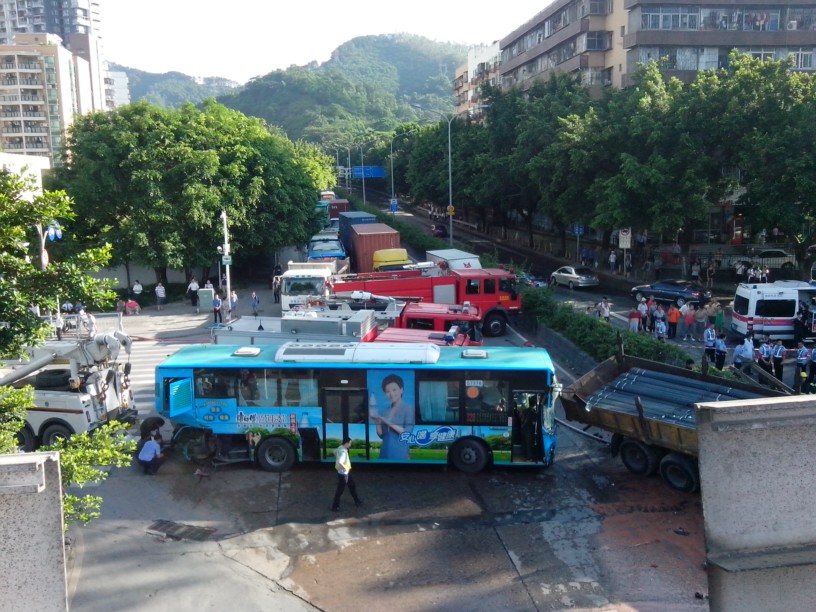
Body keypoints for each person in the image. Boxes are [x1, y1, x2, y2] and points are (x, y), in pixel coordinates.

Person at [371, 374, 415, 460]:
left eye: (394, 390)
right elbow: (381, 435)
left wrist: (388, 422)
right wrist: (376, 421)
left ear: (401, 390)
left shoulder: (409, 409)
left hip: (400, 450)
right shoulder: (385, 411)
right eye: (387, 391)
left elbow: (406, 433)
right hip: (385, 450)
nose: (391, 394)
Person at [331, 437, 362, 512]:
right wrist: (345, 468)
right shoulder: (343, 452)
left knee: (352, 486)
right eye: (350, 443)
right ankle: (335, 507)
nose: (350, 445)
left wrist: (337, 457)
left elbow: (333, 451)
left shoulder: (340, 448)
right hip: (344, 474)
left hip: (343, 473)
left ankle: (357, 501)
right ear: (346, 443)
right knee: (340, 490)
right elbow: (340, 462)